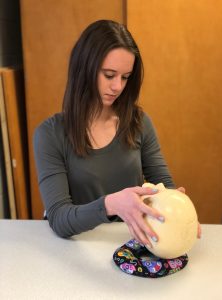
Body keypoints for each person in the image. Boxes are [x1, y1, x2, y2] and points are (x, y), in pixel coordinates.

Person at [34, 20, 201, 247]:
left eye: (125, 77)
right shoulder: (50, 134)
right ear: (84, 69)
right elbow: (59, 219)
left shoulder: (139, 122)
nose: (118, 87)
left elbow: (164, 185)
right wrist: (111, 205)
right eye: (109, 75)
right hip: (77, 246)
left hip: (131, 241)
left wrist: (178, 208)